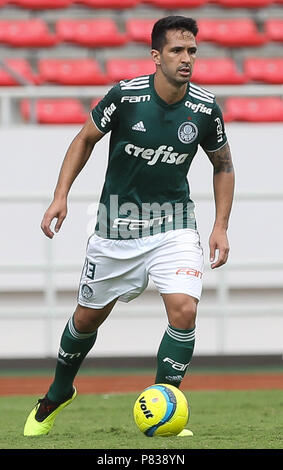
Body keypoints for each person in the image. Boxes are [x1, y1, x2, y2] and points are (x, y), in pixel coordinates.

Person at [24, 15, 234, 437]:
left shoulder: (206, 108)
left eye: (192, 50)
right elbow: (84, 139)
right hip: (115, 229)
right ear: (156, 56)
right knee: (86, 320)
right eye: (177, 50)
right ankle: (59, 391)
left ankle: (165, 404)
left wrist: (220, 225)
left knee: (185, 309)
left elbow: (223, 164)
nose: (187, 58)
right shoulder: (126, 95)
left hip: (174, 226)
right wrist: (60, 194)